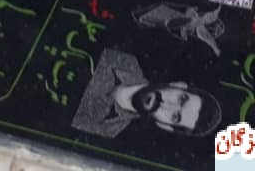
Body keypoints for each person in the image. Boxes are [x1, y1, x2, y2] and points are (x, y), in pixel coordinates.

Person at [71, 48, 223, 139]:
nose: (166, 104)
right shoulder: (119, 54)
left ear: (165, 127)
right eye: (181, 99)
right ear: (177, 85)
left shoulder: (106, 130)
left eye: (175, 117)